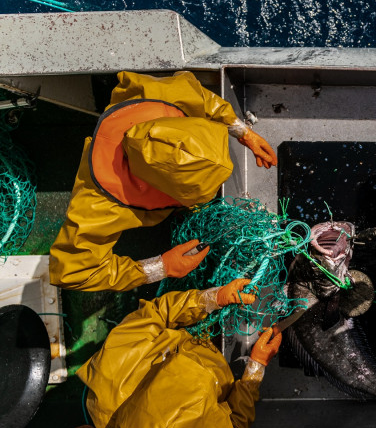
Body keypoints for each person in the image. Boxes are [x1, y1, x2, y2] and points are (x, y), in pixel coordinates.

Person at [49, 70, 277, 292]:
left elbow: (201, 98)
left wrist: (242, 131)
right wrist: (159, 267)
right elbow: (71, 274)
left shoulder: (158, 93)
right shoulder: (97, 207)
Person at [76, 278, 282, 428]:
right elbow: (239, 422)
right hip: (222, 371)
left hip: (110, 405)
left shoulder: (119, 357)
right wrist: (257, 365)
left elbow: (157, 312)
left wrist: (213, 298)